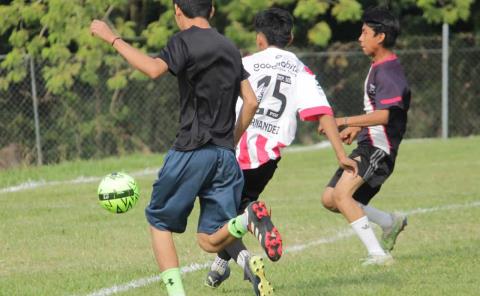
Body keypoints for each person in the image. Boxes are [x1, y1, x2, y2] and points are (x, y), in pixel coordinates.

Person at [90, 1, 284, 295]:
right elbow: (252, 101)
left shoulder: (183, 41)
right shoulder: (230, 47)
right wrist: (230, 140)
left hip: (191, 150)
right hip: (224, 156)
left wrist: (112, 38)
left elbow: (153, 70)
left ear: (178, 10)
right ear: (212, 10)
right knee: (209, 239)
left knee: (158, 220)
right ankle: (248, 218)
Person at [205, 8, 358, 295]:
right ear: (290, 37)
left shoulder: (244, 62)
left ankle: (243, 256)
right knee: (237, 210)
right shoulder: (299, 69)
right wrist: (340, 155)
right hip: (267, 158)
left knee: (217, 222)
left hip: (234, 148)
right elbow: (322, 111)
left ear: (259, 38)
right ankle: (220, 266)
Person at [321, 6, 410, 266]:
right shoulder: (378, 66)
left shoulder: (389, 72)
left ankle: (378, 256)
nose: (360, 38)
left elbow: (384, 116)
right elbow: (376, 110)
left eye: (364, 32)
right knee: (330, 199)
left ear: (380, 36)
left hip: (379, 149)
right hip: (368, 142)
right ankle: (389, 222)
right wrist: (357, 128)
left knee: (342, 196)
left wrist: (341, 121)